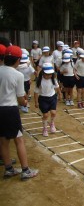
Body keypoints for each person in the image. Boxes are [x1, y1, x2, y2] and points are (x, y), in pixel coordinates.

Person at [0, 45, 38, 180]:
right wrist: (25, 102)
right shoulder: (18, 75)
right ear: (17, 60)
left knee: (3, 140)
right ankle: (25, 170)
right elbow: (21, 99)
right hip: (9, 109)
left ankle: (9, 168)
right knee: (19, 140)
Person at [34, 63, 61, 137]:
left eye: (50, 74)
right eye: (47, 74)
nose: (49, 75)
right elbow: (36, 93)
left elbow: (57, 87)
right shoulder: (39, 81)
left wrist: (59, 94)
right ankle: (45, 128)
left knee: (53, 113)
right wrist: (36, 102)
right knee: (45, 115)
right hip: (43, 99)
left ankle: (52, 124)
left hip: (52, 97)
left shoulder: (53, 79)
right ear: (43, 72)